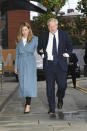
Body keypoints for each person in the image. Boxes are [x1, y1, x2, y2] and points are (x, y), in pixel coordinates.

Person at [38, 18, 72, 114]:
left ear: (57, 26)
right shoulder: (44, 36)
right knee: (49, 88)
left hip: (60, 64)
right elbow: (39, 48)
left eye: (53, 26)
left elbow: (70, 47)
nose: (52, 28)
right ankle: (51, 107)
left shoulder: (64, 35)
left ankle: (60, 97)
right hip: (49, 65)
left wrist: (67, 54)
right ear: (48, 26)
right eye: (50, 26)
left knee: (63, 85)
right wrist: (42, 53)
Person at [14, 22, 38, 114]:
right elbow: (16, 55)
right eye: (22, 30)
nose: (24, 32)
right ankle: (27, 102)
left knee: (29, 85)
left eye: (26, 29)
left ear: (29, 29)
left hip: (30, 63)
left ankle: (28, 105)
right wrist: (15, 67)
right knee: (23, 85)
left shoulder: (35, 39)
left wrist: (43, 53)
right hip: (21, 64)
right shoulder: (19, 41)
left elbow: (40, 49)